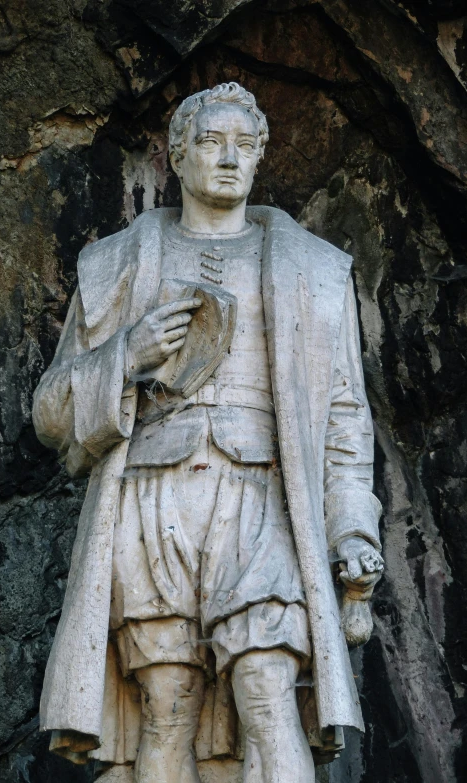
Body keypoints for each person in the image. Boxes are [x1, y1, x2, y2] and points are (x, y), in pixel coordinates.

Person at [33, 82, 384, 783]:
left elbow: (345, 419)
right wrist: (123, 357)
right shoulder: (116, 264)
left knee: (267, 690)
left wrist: (353, 531)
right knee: (166, 704)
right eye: (212, 142)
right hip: (151, 499)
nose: (229, 157)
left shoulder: (315, 271)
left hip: (266, 502)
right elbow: (50, 414)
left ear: (260, 157)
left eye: (245, 144)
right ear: (177, 154)